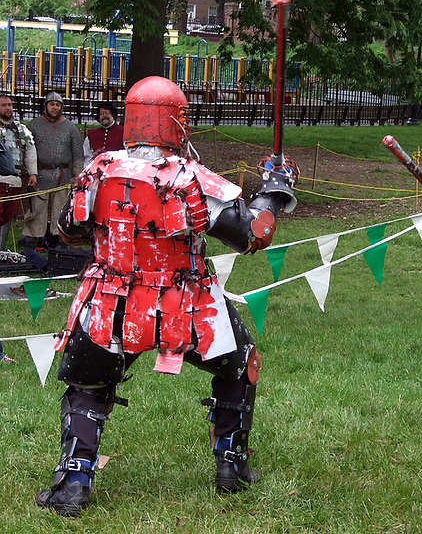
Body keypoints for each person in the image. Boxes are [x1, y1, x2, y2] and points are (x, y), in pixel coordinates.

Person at [35, 76, 298, 516]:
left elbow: (69, 229)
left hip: (109, 301)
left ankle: (73, 484)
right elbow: (254, 234)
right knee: (241, 363)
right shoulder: (192, 178)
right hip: (186, 305)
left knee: (88, 385)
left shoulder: (99, 170)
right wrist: (272, 189)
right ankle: (230, 464)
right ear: (176, 121)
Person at [24, 92, 83, 251]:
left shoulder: (70, 127)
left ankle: (61, 244)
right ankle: (31, 244)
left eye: (58, 105)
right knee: (37, 211)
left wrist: (77, 176)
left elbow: (77, 155)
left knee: (61, 211)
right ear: (46, 106)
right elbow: (27, 150)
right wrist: (31, 172)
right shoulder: (34, 125)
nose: (55, 107)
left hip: (63, 176)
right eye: (52, 104)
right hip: (40, 175)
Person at [0, 94, 38, 251]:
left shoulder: (21, 129)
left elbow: (30, 151)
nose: (8, 108)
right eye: (3, 105)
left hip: (15, 180)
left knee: (7, 216)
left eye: (9, 104)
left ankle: (1, 252)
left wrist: (33, 173)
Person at [82, 101, 124, 168]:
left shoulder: (123, 132)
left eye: (107, 113)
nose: (104, 115)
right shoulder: (92, 135)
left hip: (117, 169)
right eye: (101, 113)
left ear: (113, 115)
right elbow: (87, 157)